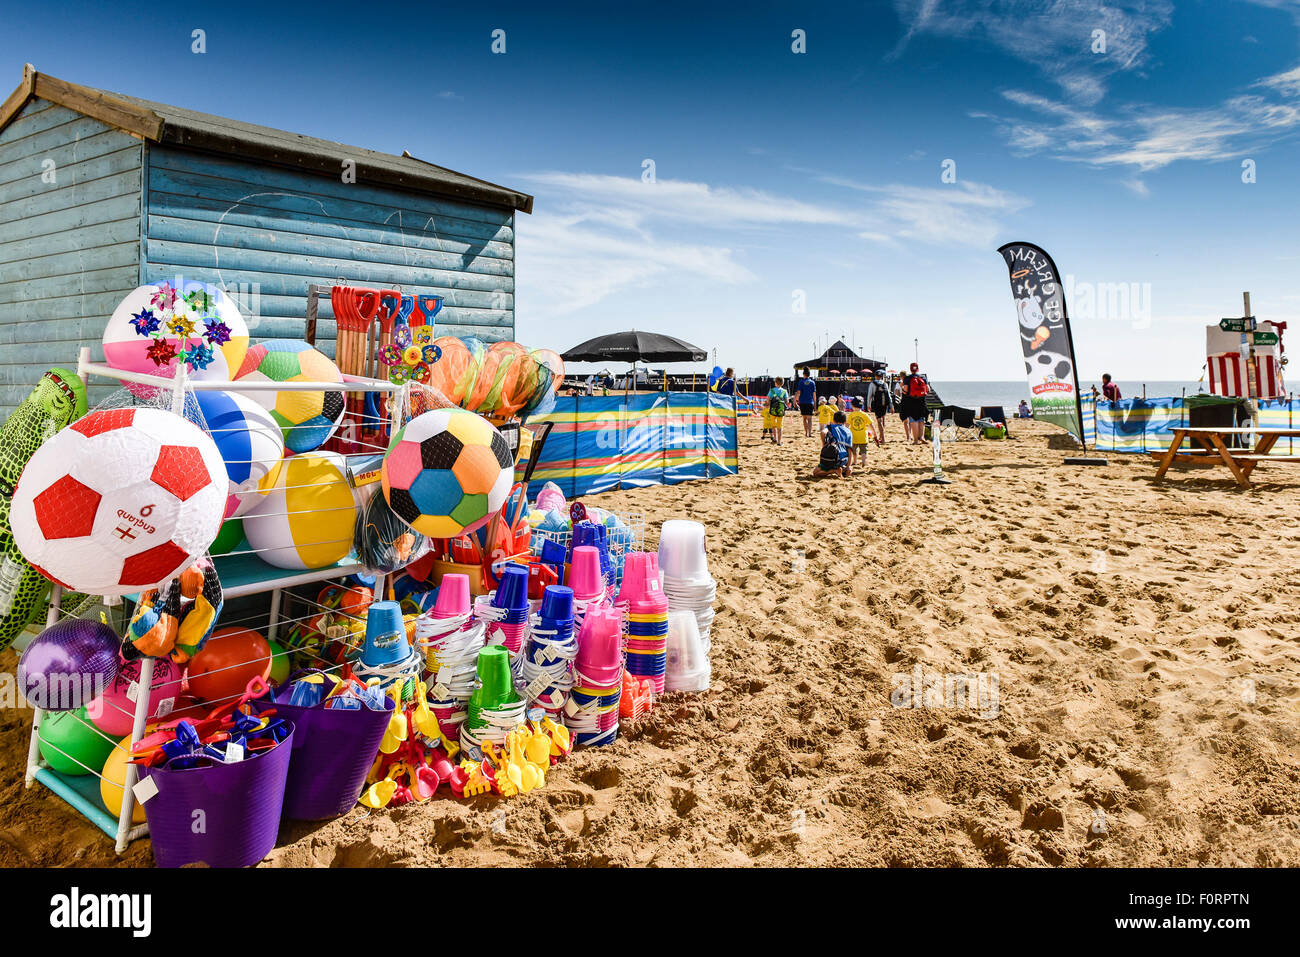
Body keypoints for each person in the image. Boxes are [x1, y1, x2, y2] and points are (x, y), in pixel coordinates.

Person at [813, 411, 853, 477]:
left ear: (833, 420)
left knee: (816, 473)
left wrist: (824, 444)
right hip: (843, 460)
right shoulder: (848, 431)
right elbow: (850, 450)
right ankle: (842, 468)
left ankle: (834, 470)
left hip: (832, 457)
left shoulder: (830, 427)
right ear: (845, 421)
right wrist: (848, 466)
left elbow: (822, 432)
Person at [900, 361, 929, 445]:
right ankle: (922, 437)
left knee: (913, 420)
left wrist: (903, 390)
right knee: (921, 420)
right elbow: (928, 390)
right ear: (918, 369)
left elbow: (905, 390)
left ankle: (916, 440)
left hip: (911, 401)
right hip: (921, 401)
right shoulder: (923, 378)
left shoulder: (907, 378)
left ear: (910, 369)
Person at [846, 397, 872, 467]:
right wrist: (874, 434)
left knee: (854, 451)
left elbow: (847, 425)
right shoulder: (864, 414)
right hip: (863, 436)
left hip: (854, 437)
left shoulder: (851, 415)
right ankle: (863, 462)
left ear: (852, 405)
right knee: (864, 451)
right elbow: (871, 424)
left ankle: (854, 461)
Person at [867, 374, 891, 445]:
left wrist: (868, 405)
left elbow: (870, 395)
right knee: (883, 420)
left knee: (879, 421)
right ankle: (881, 437)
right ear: (881, 377)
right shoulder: (885, 384)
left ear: (875, 376)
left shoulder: (872, 384)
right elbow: (889, 396)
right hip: (885, 404)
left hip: (877, 404)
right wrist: (891, 405)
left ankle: (883, 439)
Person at [767, 376, 790, 445]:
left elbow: (768, 400)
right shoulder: (784, 391)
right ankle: (779, 442)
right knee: (780, 426)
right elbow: (787, 401)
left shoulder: (772, 390)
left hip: (773, 410)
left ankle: (775, 439)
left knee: (773, 425)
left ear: (775, 383)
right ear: (782, 384)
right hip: (781, 411)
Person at [795, 369, 818, 438]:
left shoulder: (801, 382)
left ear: (803, 374)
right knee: (810, 419)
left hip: (802, 402)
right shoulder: (812, 383)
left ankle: (806, 433)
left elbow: (799, 392)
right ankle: (810, 433)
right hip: (810, 402)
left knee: (804, 418)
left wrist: (796, 400)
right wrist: (815, 404)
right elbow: (814, 394)